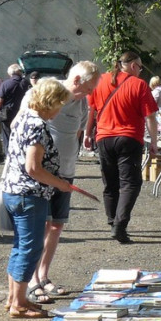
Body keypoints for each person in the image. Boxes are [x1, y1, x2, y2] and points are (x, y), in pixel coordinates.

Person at [27, 61, 101, 303]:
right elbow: (25, 123)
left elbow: (78, 134)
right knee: (42, 226)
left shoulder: (82, 102)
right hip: (44, 172)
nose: (90, 94)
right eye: (88, 88)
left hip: (67, 171)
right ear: (77, 80)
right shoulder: (47, 91)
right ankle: (32, 280)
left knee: (57, 225)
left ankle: (44, 275)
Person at [0, 78, 74, 318]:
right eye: (59, 104)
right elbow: (33, 168)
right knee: (30, 249)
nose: (59, 110)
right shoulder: (36, 125)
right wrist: (60, 183)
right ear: (49, 102)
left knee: (20, 246)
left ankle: (14, 297)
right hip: (29, 194)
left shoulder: (22, 117)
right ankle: (19, 304)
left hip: (14, 191)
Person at [83, 51, 158, 244]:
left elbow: (92, 110)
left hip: (104, 137)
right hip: (129, 138)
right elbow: (150, 116)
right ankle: (120, 225)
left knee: (110, 182)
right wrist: (155, 142)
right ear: (133, 66)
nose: (140, 71)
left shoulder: (100, 81)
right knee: (130, 183)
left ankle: (112, 222)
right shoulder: (139, 85)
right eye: (140, 67)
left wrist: (86, 133)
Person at [0, 64, 26, 152]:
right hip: (23, 115)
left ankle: (9, 158)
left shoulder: (6, 84)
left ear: (10, 73)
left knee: (8, 138)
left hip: (8, 115)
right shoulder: (26, 83)